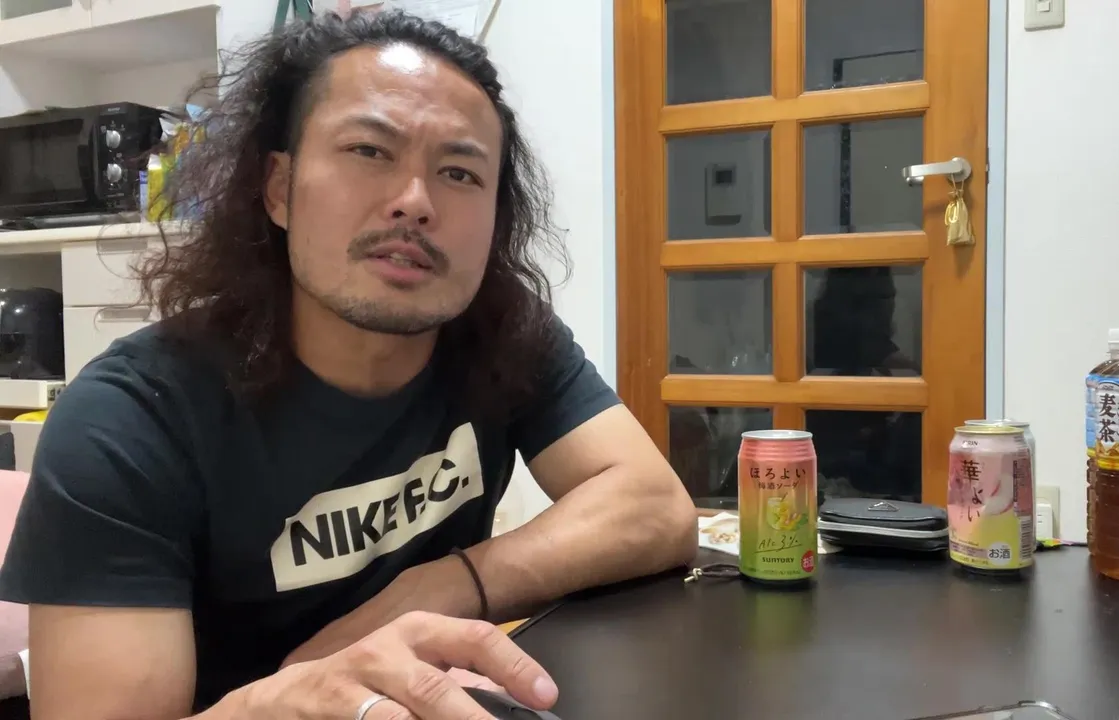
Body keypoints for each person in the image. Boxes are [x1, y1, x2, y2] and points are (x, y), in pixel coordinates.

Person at [0, 10, 698, 720]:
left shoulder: (499, 335)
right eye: (369, 150)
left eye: (459, 172)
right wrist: (291, 695)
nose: (415, 203)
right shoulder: (127, 421)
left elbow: (653, 506)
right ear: (279, 188)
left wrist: (434, 590)